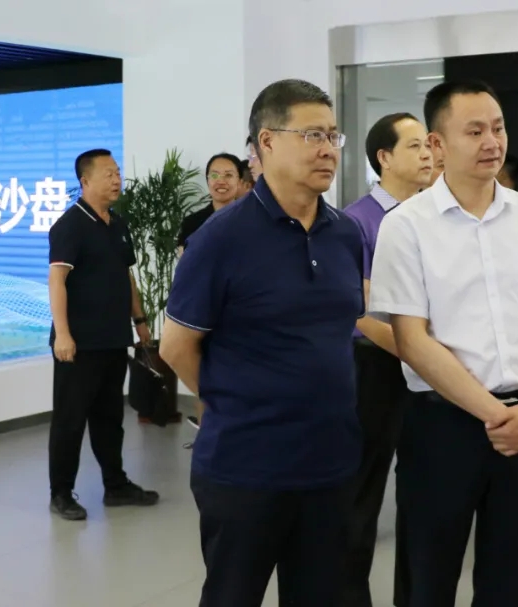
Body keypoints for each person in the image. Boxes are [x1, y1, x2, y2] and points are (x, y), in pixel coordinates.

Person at [368, 80, 518, 607]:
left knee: (506, 576)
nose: (493, 141)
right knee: (429, 577)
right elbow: (412, 341)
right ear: (438, 144)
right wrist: (497, 414)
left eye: (498, 127)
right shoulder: (406, 226)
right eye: (474, 131)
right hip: (441, 426)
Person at [160, 78, 364, 606]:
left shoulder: (345, 234)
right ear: (267, 142)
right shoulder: (220, 239)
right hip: (245, 470)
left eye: (333, 136)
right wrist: (231, 403)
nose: (328, 149)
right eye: (313, 134)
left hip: (330, 466)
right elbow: (176, 346)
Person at [340, 112, 432, 607]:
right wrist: (420, 352)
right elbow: (359, 312)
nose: (427, 154)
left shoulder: (431, 215)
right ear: (384, 158)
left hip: (428, 368)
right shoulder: (357, 222)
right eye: (415, 146)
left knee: (422, 491)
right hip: (377, 365)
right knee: (364, 491)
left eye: (428, 145)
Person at [46, 148, 159, 521]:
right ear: (85, 181)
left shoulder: (118, 224)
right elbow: (57, 280)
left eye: (117, 172)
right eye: (108, 173)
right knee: (70, 420)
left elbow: (126, 276)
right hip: (79, 344)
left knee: (110, 418)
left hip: (113, 339)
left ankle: (116, 485)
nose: (116, 179)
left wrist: (140, 321)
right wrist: (63, 334)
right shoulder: (70, 226)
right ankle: (61, 493)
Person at [178, 153, 245, 432]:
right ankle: (207, 438)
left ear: (240, 181)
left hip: (242, 314)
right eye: (214, 175)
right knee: (205, 380)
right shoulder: (193, 223)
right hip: (205, 314)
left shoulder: (252, 220)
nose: (221, 181)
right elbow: (186, 271)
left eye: (228, 175)